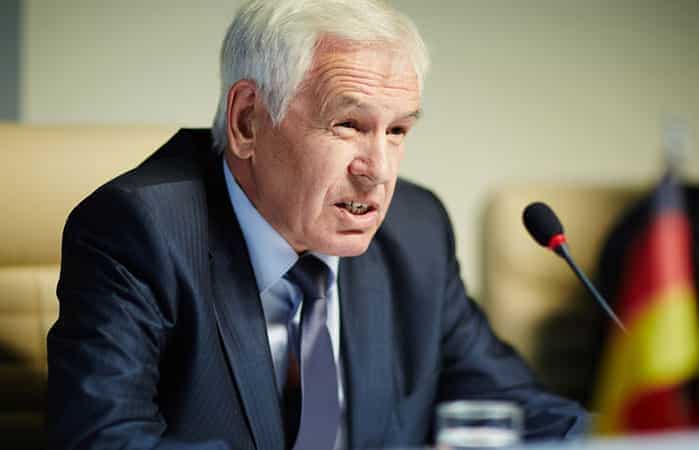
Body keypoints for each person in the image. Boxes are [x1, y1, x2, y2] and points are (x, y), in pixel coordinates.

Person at [47, 1, 588, 449]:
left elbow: (517, 409)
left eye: (397, 131)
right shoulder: (138, 231)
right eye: (348, 124)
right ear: (247, 121)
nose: (378, 171)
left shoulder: (416, 230)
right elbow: (103, 439)